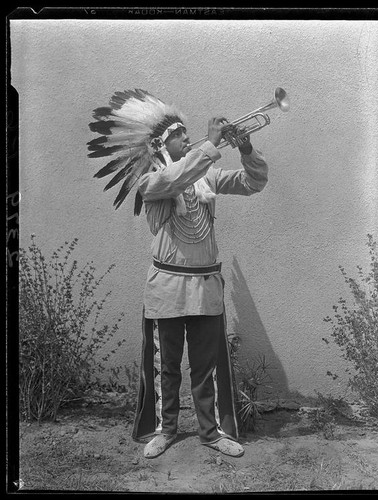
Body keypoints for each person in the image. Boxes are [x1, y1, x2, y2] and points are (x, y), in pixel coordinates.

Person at [87, 89, 268, 459]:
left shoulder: (207, 175)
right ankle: (164, 430)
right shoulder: (152, 181)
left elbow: (254, 183)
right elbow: (173, 181)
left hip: (205, 285)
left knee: (206, 367)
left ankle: (212, 432)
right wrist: (211, 144)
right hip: (167, 286)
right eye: (179, 134)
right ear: (160, 144)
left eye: (187, 133)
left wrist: (247, 150)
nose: (188, 137)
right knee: (165, 367)